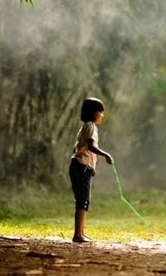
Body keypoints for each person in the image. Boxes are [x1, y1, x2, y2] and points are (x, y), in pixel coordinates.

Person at [69, 97, 113, 242]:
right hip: (82, 167)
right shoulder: (91, 127)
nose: (102, 115)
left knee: (83, 200)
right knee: (83, 201)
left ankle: (81, 232)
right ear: (94, 113)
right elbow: (90, 146)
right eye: (101, 112)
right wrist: (105, 155)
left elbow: (78, 147)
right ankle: (78, 234)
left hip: (79, 165)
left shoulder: (85, 127)